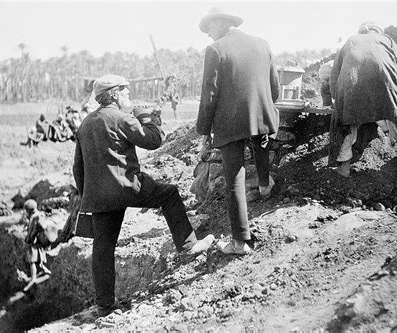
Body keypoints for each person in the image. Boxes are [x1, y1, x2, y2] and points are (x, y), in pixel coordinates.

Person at [73, 74, 214, 316]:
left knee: (103, 247)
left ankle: (104, 305)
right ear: (114, 94)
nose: (128, 94)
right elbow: (153, 141)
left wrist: (89, 196)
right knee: (169, 194)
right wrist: (148, 117)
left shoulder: (86, 123)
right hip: (129, 187)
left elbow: (78, 167)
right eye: (125, 91)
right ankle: (189, 245)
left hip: (99, 197)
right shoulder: (120, 117)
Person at [197, 8, 280, 255]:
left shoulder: (216, 50)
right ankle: (265, 186)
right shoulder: (262, 44)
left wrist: (204, 129)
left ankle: (240, 242)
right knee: (261, 144)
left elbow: (209, 96)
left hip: (230, 121)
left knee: (234, 177)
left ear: (221, 22)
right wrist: (265, 108)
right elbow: (274, 85)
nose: (209, 35)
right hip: (261, 113)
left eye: (209, 28)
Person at [329, 22, 397, 178]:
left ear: (362, 32)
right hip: (385, 79)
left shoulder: (351, 40)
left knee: (347, 122)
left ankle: (344, 166)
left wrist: (337, 100)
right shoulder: (387, 39)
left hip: (352, 80)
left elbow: (335, 72)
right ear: (377, 31)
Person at [19, 199, 52, 292]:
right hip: (40, 241)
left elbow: (32, 230)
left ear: (29, 210)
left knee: (32, 261)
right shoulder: (40, 214)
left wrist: (29, 238)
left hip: (35, 242)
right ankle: (46, 271)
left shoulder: (34, 217)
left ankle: (33, 279)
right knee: (39, 258)